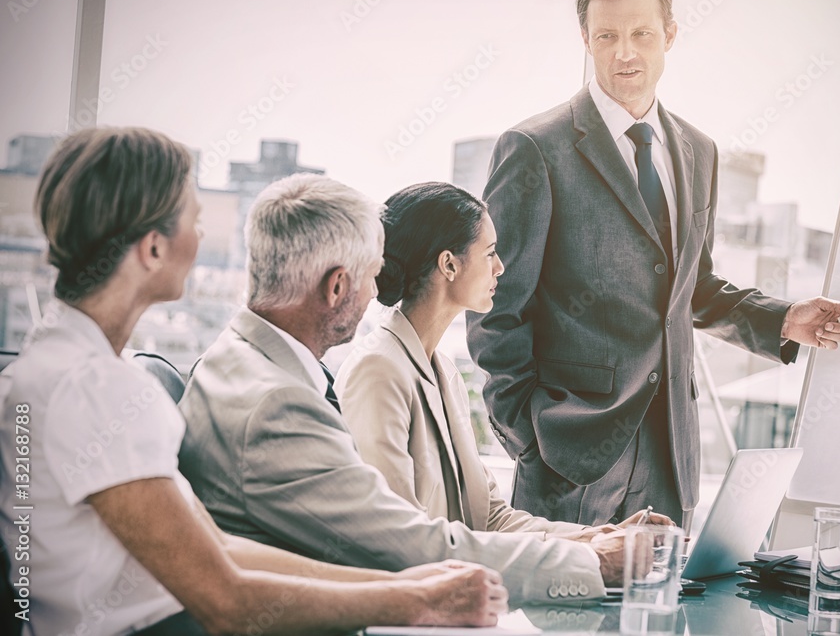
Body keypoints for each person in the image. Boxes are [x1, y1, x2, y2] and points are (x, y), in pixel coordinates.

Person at [0, 127, 506, 636]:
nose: (201, 240)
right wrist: (416, 601)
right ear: (153, 248)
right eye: (194, 222)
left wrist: (406, 584)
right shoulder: (96, 389)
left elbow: (215, 547)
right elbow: (225, 599)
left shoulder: (64, 362)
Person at [466, 0, 840, 529]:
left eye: (641, 34)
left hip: (671, 452)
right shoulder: (535, 148)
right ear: (586, 41)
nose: (624, 52)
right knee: (564, 615)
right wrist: (530, 440)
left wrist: (785, 319)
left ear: (670, 35)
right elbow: (495, 308)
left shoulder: (699, 151)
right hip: (569, 457)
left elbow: (689, 288)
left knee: (659, 611)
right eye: (606, 36)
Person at [177, 172, 631, 604]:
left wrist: (592, 540)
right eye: (372, 273)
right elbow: (403, 545)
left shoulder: (244, 365)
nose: (378, 288)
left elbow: (480, 516)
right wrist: (588, 562)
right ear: (337, 286)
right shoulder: (285, 399)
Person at [337, 182, 670, 535]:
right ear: (449, 264)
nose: (500, 267)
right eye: (490, 253)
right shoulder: (378, 372)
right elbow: (401, 537)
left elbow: (491, 518)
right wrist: (590, 558)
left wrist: (599, 536)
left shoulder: (442, 371)